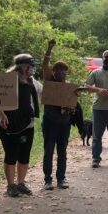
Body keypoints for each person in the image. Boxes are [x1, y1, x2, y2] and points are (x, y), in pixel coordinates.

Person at [0, 54, 40, 197]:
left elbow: (47, 92)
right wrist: (1, 113)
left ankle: (21, 183)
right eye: (28, 66)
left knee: (24, 154)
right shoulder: (7, 80)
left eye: (32, 66)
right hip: (9, 123)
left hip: (28, 123)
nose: (31, 69)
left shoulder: (32, 81)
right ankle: (10, 185)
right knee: (11, 154)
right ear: (20, 66)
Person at [41, 39, 78, 190]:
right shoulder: (50, 81)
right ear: (54, 71)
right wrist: (49, 49)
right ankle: (47, 180)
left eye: (64, 70)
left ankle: (61, 178)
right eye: (59, 69)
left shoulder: (68, 87)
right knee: (49, 150)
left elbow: (72, 106)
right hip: (50, 121)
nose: (61, 72)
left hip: (64, 122)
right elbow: (44, 65)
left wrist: (72, 108)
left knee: (62, 151)